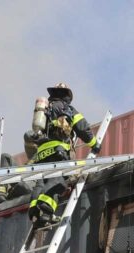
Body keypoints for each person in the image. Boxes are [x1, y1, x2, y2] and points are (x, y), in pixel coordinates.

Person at [27, 82, 102, 229]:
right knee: (59, 180)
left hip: (41, 153)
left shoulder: (46, 108)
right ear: (67, 95)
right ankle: (46, 206)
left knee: (42, 181)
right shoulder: (67, 109)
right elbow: (83, 129)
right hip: (57, 150)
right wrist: (95, 144)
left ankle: (37, 211)